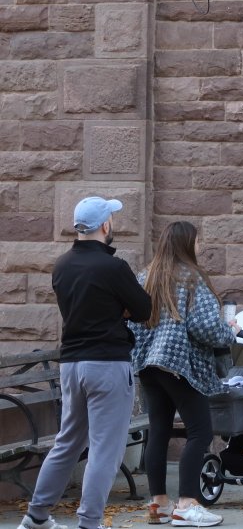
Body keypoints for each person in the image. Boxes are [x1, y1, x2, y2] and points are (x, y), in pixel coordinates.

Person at [20, 197, 152, 529]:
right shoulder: (114, 267)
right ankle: (89, 523)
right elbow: (145, 311)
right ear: (105, 225)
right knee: (105, 450)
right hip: (107, 365)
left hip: (72, 365)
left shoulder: (61, 265)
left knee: (67, 442)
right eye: (112, 218)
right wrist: (120, 309)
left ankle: (36, 517)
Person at [130, 221, 238, 528]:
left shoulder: (145, 276)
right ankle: (188, 505)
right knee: (200, 432)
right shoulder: (192, 278)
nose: (201, 246)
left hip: (149, 365)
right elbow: (204, 327)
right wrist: (229, 332)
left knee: (159, 431)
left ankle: (158, 505)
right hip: (179, 366)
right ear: (186, 244)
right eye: (198, 241)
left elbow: (133, 323)